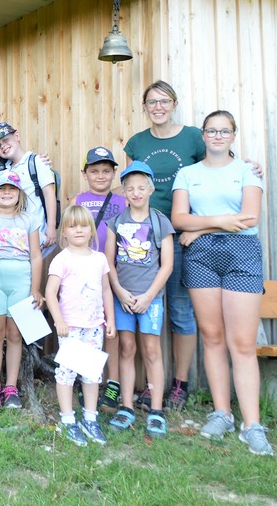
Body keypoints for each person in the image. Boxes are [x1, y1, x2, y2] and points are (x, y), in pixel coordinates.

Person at [172, 110, 272, 456]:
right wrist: (214, 223)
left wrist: (200, 227)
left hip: (241, 253)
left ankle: (252, 425)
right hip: (201, 257)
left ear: (233, 135)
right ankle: (222, 414)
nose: (217, 136)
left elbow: (249, 218)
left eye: (224, 131)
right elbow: (179, 218)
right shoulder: (188, 174)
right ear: (203, 135)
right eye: (212, 130)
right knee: (212, 337)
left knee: (242, 343)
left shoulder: (246, 171)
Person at [122, 79, 202, 411]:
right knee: (141, 310)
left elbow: (213, 174)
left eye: (164, 101)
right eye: (152, 102)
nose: (158, 107)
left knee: (180, 311)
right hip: (142, 239)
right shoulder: (137, 142)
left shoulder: (193, 137)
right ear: (144, 107)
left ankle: (180, 385)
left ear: (174, 104)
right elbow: (131, 185)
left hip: (181, 236)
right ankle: (149, 386)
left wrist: (197, 227)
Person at [105, 161, 173, 438]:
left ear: (151, 189)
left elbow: (167, 265)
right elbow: (109, 262)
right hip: (123, 298)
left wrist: (148, 296)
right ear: (123, 191)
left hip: (150, 299)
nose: (136, 193)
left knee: (152, 350)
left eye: (141, 188)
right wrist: (120, 292)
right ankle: (126, 407)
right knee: (126, 348)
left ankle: (156, 410)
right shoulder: (116, 222)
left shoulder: (160, 221)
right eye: (130, 188)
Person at [45, 206, 115, 447]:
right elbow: (50, 293)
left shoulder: (99, 259)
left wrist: (110, 319)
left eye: (84, 225)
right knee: (66, 373)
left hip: (94, 325)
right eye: (72, 226)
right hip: (71, 327)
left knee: (92, 373)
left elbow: (106, 290)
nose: (78, 230)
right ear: (64, 231)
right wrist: (59, 321)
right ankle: (67, 420)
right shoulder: (61, 259)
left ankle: (90, 419)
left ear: (91, 230)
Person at [0, 170, 43, 410]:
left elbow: (36, 256)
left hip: (21, 279)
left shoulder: (29, 219)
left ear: (19, 193)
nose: (6, 193)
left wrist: (35, 288)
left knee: (15, 335)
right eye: (1, 189)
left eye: (11, 189)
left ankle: (11, 386)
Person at [74, 147, 126, 411]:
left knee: (111, 329)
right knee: (85, 327)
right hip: (85, 275)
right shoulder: (78, 199)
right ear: (84, 174)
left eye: (106, 171)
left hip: (115, 272)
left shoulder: (123, 201)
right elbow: (68, 233)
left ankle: (113, 382)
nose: (101, 176)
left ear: (114, 173)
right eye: (94, 171)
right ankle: (87, 379)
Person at [0, 122, 57, 249]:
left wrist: (51, 226)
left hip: (38, 232)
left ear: (17, 136)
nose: (3, 146)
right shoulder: (5, 170)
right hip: (15, 236)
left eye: (6, 140)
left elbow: (49, 193)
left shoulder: (36, 162)